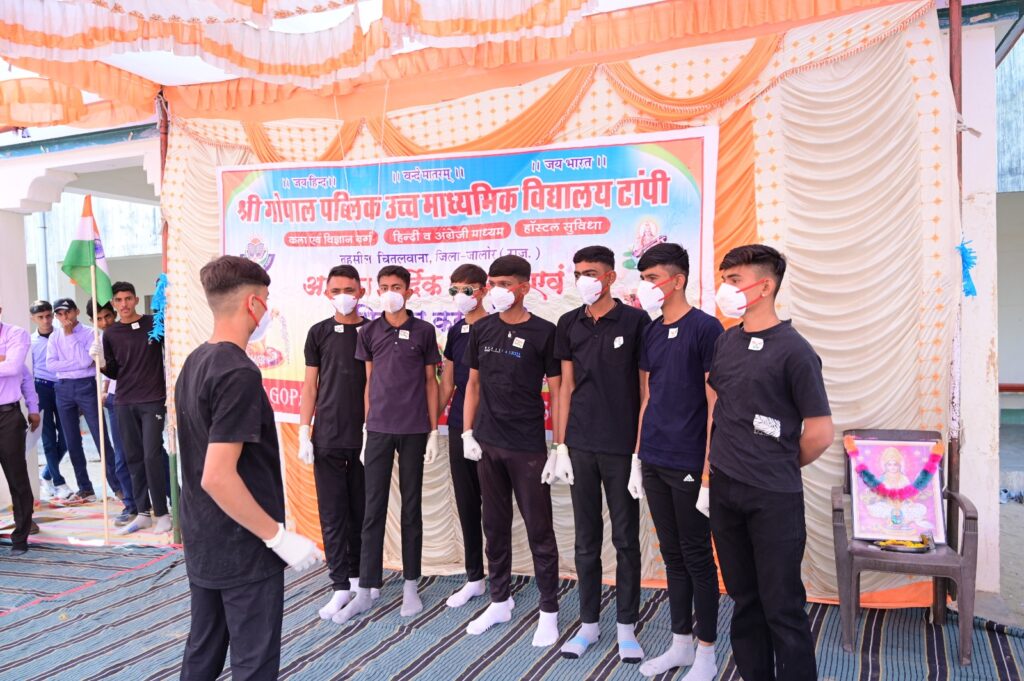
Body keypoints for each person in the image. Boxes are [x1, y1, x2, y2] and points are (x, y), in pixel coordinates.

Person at [176, 255, 322, 681]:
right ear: (253, 304)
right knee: (254, 662)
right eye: (267, 300)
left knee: (203, 650)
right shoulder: (237, 372)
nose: (268, 310)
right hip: (242, 544)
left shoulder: (195, 360)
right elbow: (217, 475)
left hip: (204, 535)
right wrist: (277, 536)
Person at [708, 244, 833, 681]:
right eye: (725, 280)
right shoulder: (726, 341)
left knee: (782, 605)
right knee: (744, 599)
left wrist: (777, 462)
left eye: (734, 280)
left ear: (764, 287)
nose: (726, 289)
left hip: (773, 496)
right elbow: (718, 402)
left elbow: (820, 433)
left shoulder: (795, 351)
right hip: (725, 489)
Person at [553, 245, 650, 663]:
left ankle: (627, 628)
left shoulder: (636, 321)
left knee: (626, 539)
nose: (584, 281)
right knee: (585, 539)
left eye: (591, 273)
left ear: (611, 277)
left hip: (622, 448)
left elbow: (646, 390)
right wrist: (559, 446)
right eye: (578, 273)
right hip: (580, 445)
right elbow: (565, 388)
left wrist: (639, 451)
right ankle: (588, 625)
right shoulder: (568, 323)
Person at [632, 243, 724, 680]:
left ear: (678, 280)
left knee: (696, 555)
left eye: (652, 278)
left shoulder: (705, 328)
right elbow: (647, 396)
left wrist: (707, 470)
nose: (646, 286)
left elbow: (714, 404)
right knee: (672, 555)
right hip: (653, 457)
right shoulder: (651, 331)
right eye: (643, 279)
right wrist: (637, 456)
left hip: (689, 460)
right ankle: (681, 644)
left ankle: (707, 652)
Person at [461, 254, 562, 646]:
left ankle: (549, 610)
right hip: (488, 443)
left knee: (540, 530)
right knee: (494, 526)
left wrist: (559, 446)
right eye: (493, 283)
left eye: (505, 284)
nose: (497, 290)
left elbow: (558, 390)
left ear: (524, 287)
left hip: (527, 446)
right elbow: (472, 384)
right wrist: (467, 432)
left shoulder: (544, 332)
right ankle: (499, 600)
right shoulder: (482, 328)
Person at [334, 265, 441, 624]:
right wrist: (367, 427)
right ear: (377, 291)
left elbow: (430, 382)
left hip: (413, 429)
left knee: (411, 508)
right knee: (372, 509)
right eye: (384, 287)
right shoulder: (368, 332)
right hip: (378, 429)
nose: (390, 292)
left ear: (409, 291)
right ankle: (365, 589)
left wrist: (433, 431)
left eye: (396, 286)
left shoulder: (424, 331)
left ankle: (411, 585)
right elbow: (369, 381)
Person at [297, 265, 376, 621]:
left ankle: (361, 578)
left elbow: (375, 385)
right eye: (336, 290)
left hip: (363, 438)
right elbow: (310, 386)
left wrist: (370, 431)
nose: (344, 296)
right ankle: (339, 584)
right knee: (332, 515)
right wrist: (304, 430)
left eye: (350, 289)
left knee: (362, 512)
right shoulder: (318, 333)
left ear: (361, 292)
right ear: (327, 293)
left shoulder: (373, 331)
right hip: (326, 436)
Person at [92, 281, 172, 534]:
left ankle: (162, 512)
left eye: (128, 299)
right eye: (119, 300)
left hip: (153, 400)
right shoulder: (111, 333)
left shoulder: (154, 324)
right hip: (124, 401)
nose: (124, 304)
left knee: (152, 455)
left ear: (136, 300)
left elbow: (170, 353)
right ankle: (143, 513)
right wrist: (101, 363)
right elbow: (114, 372)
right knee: (133, 457)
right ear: (114, 304)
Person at [437, 263, 489, 609]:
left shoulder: (497, 326)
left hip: (493, 427)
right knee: (467, 503)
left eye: (467, 289)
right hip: (459, 426)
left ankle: (501, 577)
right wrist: (430, 425)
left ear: (484, 290)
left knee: (496, 506)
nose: (461, 296)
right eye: (455, 290)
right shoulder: (456, 331)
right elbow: (447, 384)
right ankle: (475, 577)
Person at [46, 297, 111, 504]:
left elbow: (86, 362)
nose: (64, 317)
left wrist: (70, 336)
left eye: (67, 312)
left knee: (100, 436)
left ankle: (119, 486)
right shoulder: (54, 337)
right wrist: (74, 363)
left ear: (76, 312)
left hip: (86, 386)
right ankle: (85, 488)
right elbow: (51, 365)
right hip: (63, 388)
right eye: (59, 314)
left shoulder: (90, 333)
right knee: (72, 440)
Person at [87, 298, 138, 527]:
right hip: (116, 400)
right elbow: (110, 372)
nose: (105, 322)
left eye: (107, 316)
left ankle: (172, 499)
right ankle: (131, 504)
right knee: (121, 457)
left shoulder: (128, 333)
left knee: (151, 453)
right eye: (99, 319)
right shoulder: (100, 340)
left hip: (140, 398)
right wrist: (105, 389)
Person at [0, 299, 37, 556]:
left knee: (17, 478)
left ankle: (21, 537)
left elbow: (15, 368)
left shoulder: (16, 334)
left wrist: (33, 407)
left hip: (7, 417)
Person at [29, 300, 71, 500]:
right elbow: (28, 371)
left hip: (63, 387)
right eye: (40, 317)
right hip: (41, 389)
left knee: (68, 437)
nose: (45, 320)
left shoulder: (63, 335)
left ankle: (46, 475)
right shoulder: (30, 341)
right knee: (48, 438)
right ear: (33, 319)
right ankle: (58, 482)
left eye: (48, 316)